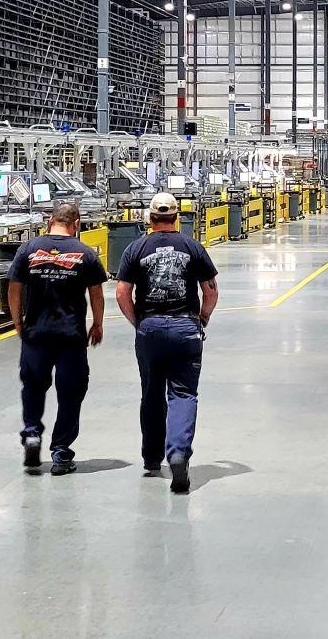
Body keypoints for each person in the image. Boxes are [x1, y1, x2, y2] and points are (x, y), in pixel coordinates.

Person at [115, 192, 219, 493]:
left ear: (150, 217)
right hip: (185, 327)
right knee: (183, 394)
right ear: (177, 216)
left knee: (151, 394)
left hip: (150, 328)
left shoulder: (136, 248)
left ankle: (151, 459)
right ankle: (178, 454)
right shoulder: (193, 246)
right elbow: (211, 291)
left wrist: (138, 323)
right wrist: (202, 319)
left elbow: (122, 292)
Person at [7, 203, 107, 475]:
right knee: (71, 393)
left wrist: (18, 322)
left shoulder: (28, 249)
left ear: (50, 221)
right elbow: (96, 294)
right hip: (70, 336)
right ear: (76, 224)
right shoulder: (85, 253)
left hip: (36, 333)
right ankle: (61, 451)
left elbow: (14, 288)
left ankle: (32, 434)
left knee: (33, 386)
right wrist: (97, 324)